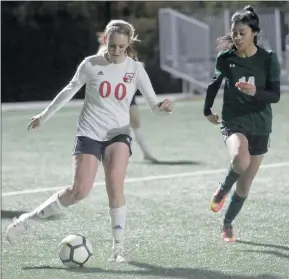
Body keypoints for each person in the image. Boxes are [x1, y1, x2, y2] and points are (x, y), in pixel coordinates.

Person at [6, 19, 173, 262]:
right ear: (106, 40)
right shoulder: (90, 64)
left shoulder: (136, 70)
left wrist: (163, 108)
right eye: (113, 45)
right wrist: (44, 116)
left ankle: (118, 249)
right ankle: (27, 220)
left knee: (115, 185)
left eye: (122, 47)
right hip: (89, 132)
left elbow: (154, 106)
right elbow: (68, 91)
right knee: (79, 191)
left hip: (118, 134)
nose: (116, 52)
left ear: (128, 46)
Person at [203, 5, 280, 242]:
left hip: (260, 125)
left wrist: (255, 91)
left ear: (254, 32)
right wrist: (207, 110)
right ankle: (221, 190)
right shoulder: (226, 59)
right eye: (234, 32)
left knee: (245, 186)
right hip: (234, 121)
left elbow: (275, 96)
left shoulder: (268, 59)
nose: (236, 37)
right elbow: (214, 84)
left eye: (242, 32)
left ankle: (227, 223)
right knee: (240, 158)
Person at [97, 32, 158, 162]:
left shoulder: (126, 51)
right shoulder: (104, 51)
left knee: (135, 122)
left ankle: (146, 153)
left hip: (126, 93)